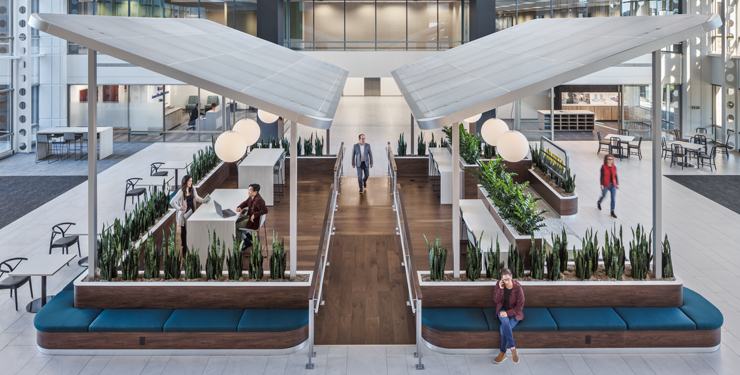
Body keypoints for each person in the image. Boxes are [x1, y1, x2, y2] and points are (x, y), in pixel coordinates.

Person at [493, 268, 524, 365]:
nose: (507, 281)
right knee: (505, 323)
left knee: (503, 328)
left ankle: (503, 352)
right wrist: (500, 289)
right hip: (501, 311)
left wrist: (508, 313)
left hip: (514, 313)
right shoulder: (499, 284)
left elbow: (520, 307)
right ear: (502, 279)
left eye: (508, 279)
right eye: (504, 279)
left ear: (511, 277)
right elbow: (496, 301)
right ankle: (513, 348)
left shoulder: (518, 288)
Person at [170, 174, 205, 252]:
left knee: (191, 228)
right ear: (185, 182)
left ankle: (191, 244)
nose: (191, 182)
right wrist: (179, 208)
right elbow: (172, 202)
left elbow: (197, 198)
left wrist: (204, 200)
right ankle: (184, 247)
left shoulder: (192, 189)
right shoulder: (181, 191)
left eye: (191, 181)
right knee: (184, 230)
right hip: (184, 215)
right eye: (189, 181)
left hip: (191, 212)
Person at [236, 183, 268, 250]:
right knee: (235, 223)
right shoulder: (252, 197)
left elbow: (265, 210)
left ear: (255, 192)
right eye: (249, 190)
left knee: (234, 226)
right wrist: (240, 207)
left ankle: (247, 242)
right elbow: (246, 202)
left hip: (253, 222)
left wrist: (255, 214)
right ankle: (249, 236)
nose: (248, 191)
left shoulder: (259, 200)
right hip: (249, 217)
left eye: (250, 190)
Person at [597, 154, 619, 218]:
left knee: (613, 198)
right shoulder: (603, 167)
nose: (610, 160)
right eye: (609, 159)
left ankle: (612, 211)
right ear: (606, 160)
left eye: (611, 159)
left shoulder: (614, 167)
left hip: (613, 185)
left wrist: (617, 184)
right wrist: (601, 184)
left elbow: (615, 175)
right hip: (606, 184)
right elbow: (601, 176)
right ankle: (599, 202)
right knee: (604, 195)